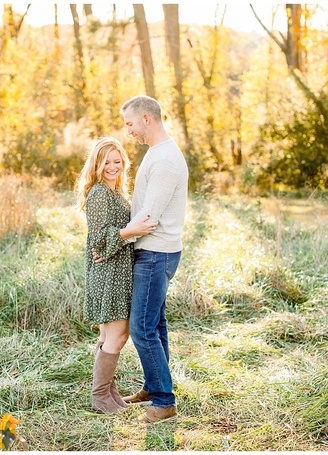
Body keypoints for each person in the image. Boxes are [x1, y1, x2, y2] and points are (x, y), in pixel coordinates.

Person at [95, 95, 188, 424]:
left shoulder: (164, 160)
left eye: (130, 123)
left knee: (142, 329)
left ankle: (164, 402)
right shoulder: (158, 153)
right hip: (154, 251)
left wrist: (113, 241)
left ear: (146, 119)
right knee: (156, 324)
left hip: (155, 254)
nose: (129, 130)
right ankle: (154, 386)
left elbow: (149, 216)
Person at [75, 137, 158, 414]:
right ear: (97, 164)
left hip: (118, 269)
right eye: (107, 162)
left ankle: (110, 395)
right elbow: (98, 240)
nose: (113, 166)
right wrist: (131, 232)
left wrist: (128, 234)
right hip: (108, 273)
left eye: (117, 161)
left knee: (110, 335)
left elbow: (113, 235)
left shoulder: (117, 193)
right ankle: (100, 398)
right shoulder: (99, 193)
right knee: (118, 335)